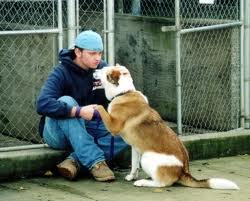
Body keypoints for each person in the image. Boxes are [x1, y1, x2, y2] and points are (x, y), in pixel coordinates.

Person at [36, 30, 128, 182]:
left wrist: (124, 80)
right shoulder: (61, 72)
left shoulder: (102, 69)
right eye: (92, 53)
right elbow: (42, 103)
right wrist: (77, 111)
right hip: (58, 133)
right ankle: (95, 163)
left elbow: (117, 98)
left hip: (90, 127)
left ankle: (74, 161)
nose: (97, 58)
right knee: (66, 101)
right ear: (78, 52)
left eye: (100, 53)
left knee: (128, 129)